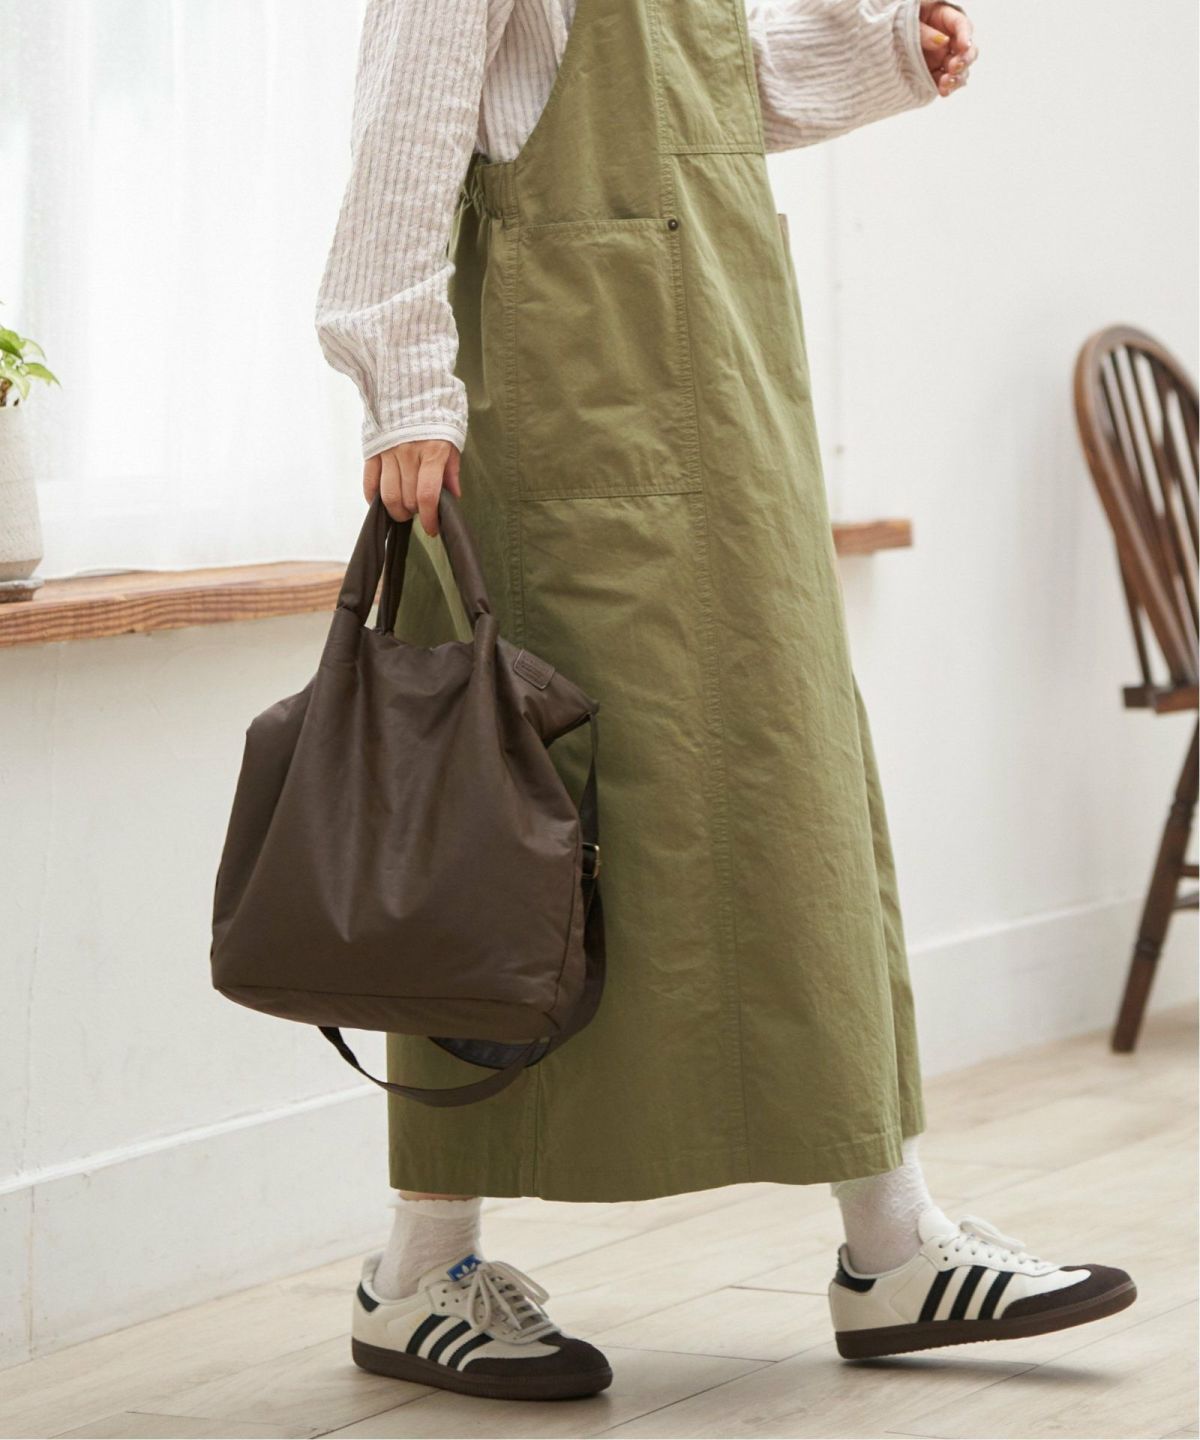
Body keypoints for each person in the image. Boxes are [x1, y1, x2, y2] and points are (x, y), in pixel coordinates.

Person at [315, 0, 1135, 1402]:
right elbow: (406, 125)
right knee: (510, 830)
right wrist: (405, 394)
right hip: (567, 411)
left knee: (790, 790)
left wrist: (880, 54)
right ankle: (418, 1272)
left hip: (722, 390)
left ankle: (892, 1245)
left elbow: (706, 93)